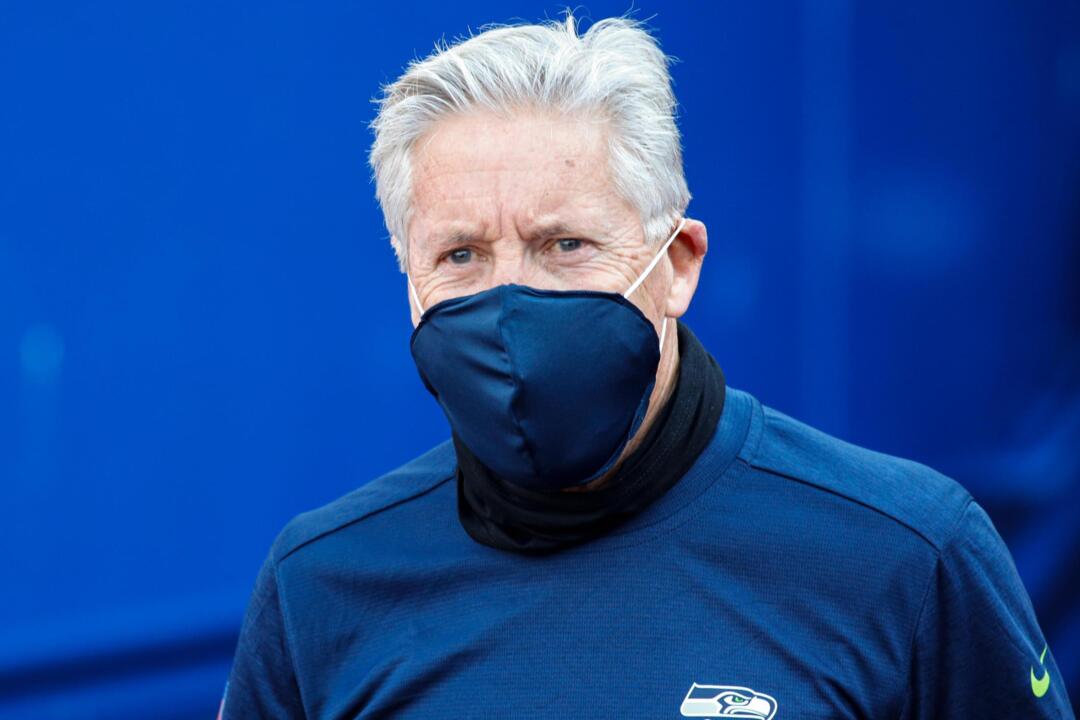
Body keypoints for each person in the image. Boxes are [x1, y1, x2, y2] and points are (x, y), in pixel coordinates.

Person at [220, 13, 1075, 719]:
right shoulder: (320, 586)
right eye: (460, 256)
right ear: (409, 283)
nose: (511, 303)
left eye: (566, 244)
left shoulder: (905, 554)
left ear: (678, 264)